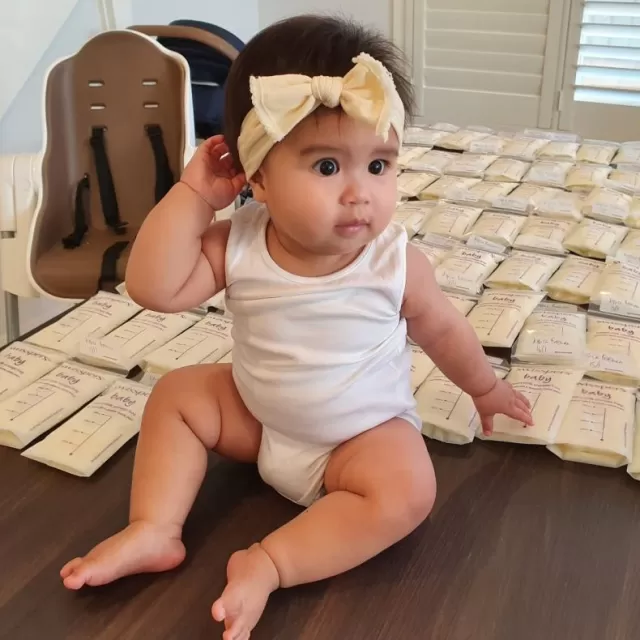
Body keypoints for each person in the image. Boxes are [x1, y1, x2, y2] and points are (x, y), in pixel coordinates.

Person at [60, 14, 533, 640]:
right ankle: (154, 527)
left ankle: (272, 562)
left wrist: (484, 387)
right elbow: (154, 287)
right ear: (255, 176)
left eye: (380, 165)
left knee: (410, 490)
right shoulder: (239, 243)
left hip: (356, 440)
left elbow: (445, 332)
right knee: (177, 394)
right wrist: (195, 196)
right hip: (258, 420)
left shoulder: (395, 264)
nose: (360, 194)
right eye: (328, 168)